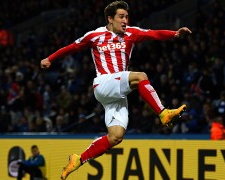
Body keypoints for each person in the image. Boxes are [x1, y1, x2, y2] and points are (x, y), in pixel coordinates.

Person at [40, 1, 191, 179]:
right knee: (141, 76)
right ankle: (163, 113)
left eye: (126, 16)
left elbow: (153, 34)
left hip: (117, 91)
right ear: (110, 19)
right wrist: (50, 58)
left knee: (116, 136)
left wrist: (174, 34)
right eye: (121, 16)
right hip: (103, 83)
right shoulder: (95, 35)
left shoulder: (131, 33)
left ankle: (79, 159)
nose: (125, 20)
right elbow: (72, 47)